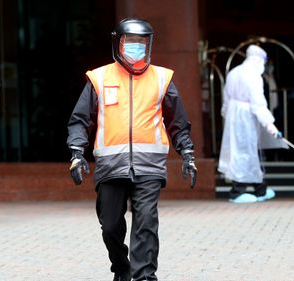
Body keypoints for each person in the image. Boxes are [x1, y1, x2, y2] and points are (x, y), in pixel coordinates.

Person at [67, 18, 197, 281]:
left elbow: (178, 122)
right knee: (110, 225)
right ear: (119, 43)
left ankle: (145, 276)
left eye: (142, 43)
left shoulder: (162, 78)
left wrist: (187, 153)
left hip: (149, 166)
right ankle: (121, 267)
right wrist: (76, 152)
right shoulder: (100, 77)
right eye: (131, 43)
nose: (137, 48)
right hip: (110, 166)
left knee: (146, 222)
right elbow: (81, 119)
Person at [218, 44, 284, 204]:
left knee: (247, 153)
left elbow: (225, 99)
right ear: (258, 60)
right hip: (246, 118)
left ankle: (260, 189)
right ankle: (237, 192)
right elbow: (258, 103)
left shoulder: (234, 72)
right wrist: (270, 125)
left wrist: (226, 115)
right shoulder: (253, 75)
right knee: (245, 153)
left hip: (233, 116)